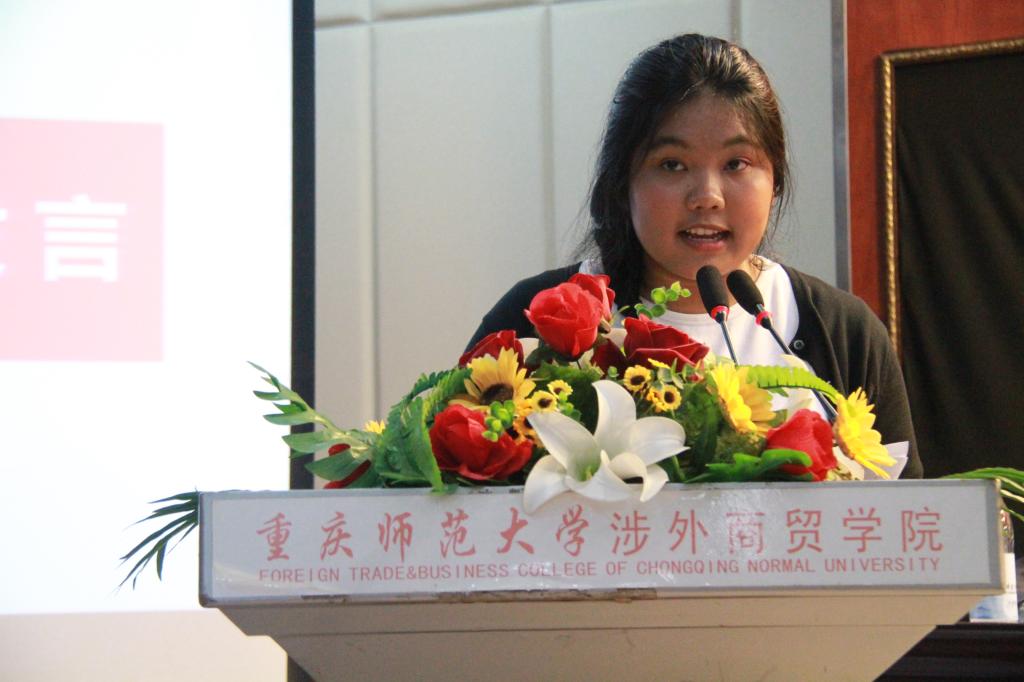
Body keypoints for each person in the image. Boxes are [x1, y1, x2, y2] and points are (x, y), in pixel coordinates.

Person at [466, 34, 921, 478]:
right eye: (672, 165)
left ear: (776, 179)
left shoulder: (845, 333)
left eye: (736, 164)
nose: (707, 196)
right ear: (623, 183)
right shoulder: (533, 319)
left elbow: (906, 517)